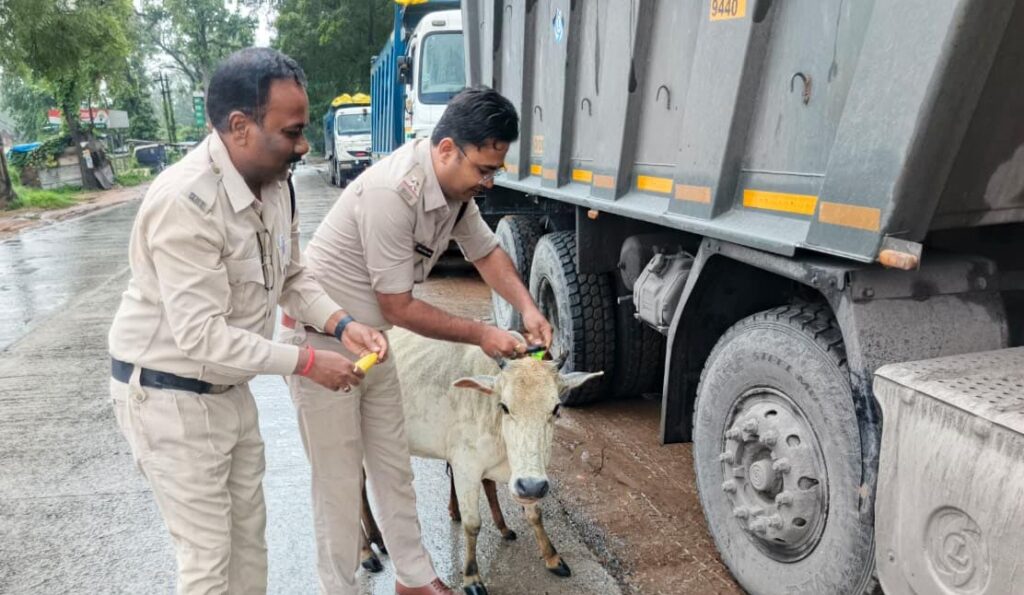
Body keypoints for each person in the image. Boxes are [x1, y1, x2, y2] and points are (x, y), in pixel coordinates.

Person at [107, 47, 388, 594]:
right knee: (209, 563)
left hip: (230, 392)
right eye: (291, 132)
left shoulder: (276, 186)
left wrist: (342, 325)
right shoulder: (186, 203)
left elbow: (292, 277)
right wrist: (307, 362)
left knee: (248, 551)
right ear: (240, 127)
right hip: (168, 399)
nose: (303, 145)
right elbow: (202, 336)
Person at [282, 86, 553, 595]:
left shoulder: (455, 194)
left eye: (496, 170)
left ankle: (414, 579)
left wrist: (529, 308)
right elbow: (399, 307)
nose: (489, 182)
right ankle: (339, 588)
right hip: (323, 341)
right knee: (339, 481)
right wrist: (484, 334)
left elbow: (486, 252)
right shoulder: (393, 193)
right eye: (484, 169)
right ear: (447, 149)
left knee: (392, 467)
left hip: (374, 342)